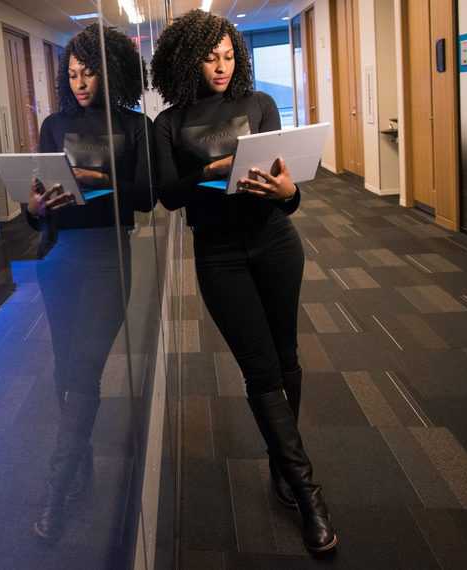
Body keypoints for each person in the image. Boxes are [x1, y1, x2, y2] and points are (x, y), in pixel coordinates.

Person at [150, 10, 337, 554]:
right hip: (219, 255)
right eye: (211, 57)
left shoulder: (260, 105)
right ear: (189, 59)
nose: (222, 67)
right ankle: (308, 494)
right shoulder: (170, 122)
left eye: (230, 56)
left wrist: (287, 193)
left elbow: (289, 189)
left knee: (286, 357)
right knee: (259, 370)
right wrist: (213, 171)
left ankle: (283, 466)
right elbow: (168, 193)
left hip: (275, 242)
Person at [24, 23, 153, 542]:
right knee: (65, 371)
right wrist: (34, 208)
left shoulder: (133, 125)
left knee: (85, 371)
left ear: (110, 69)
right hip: (59, 259)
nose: (80, 82)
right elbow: (38, 209)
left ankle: (57, 491)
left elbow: (146, 198)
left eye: (89, 71)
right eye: (73, 74)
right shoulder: (53, 125)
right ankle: (80, 468)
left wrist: (100, 180)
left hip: (107, 261)